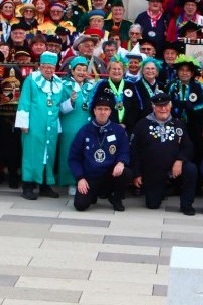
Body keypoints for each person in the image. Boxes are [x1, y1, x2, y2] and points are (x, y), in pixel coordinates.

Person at [16, 51, 73, 199]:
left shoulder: (58, 83)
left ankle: (45, 185)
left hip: (52, 127)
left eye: (51, 67)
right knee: (32, 154)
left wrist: (71, 101)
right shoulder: (31, 80)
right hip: (34, 125)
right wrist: (23, 123)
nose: (48, 70)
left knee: (49, 155)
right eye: (45, 67)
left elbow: (61, 107)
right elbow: (24, 101)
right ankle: (28, 186)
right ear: (40, 66)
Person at [130, 92, 198, 215]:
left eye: (166, 105)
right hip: (153, 171)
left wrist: (180, 160)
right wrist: (137, 173)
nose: (163, 109)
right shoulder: (142, 124)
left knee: (191, 169)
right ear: (153, 107)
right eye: (159, 106)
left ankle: (186, 205)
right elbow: (134, 151)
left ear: (170, 106)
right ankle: (163, 190)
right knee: (152, 205)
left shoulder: (178, 124)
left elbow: (187, 147)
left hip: (175, 168)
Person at [69, 95, 132, 212]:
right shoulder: (84, 131)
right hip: (90, 177)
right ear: (94, 111)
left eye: (106, 109)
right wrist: (80, 178)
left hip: (109, 175)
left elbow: (124, 150)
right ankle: (93, 195)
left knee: (126, 173)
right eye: (100, 109)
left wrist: (121, 162)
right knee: (80, 205)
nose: (103, 112)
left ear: (110, 112)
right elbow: (74, 158)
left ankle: (116, 198)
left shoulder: (118, 130)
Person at [57, 56, 98, 191]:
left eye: (84, 70)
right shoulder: (64, 85)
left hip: (87, 125)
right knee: (69, 152)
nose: (81, 72)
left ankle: (85, 180)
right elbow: (59, 108)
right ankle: (70, 181)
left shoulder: (91, 86)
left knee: (86, 152)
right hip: (70, 125)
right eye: (78, 69)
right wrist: (71, 101)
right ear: (72, 71)